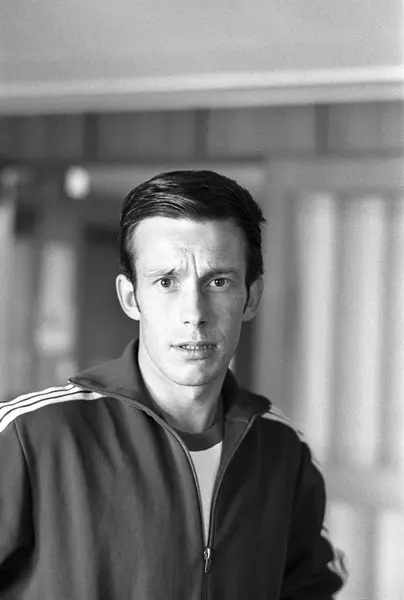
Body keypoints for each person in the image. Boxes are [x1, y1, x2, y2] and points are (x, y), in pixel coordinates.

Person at [0, 170, 346, 599]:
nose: (194, 313)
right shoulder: (30, 436)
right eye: (166, 282)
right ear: (131, 297)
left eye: (218, 282)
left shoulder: (282, 448)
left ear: (251, 297)